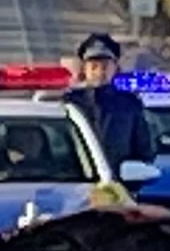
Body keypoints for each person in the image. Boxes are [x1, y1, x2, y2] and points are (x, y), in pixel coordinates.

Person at [59, 32, 155, 173]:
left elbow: (144, 150)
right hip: (75, 179)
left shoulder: (129, 104)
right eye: (94, 66)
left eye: (105, 66)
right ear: (84, 69)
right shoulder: (71, 102)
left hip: (118, 181)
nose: (99, 72)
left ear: (115, 67)